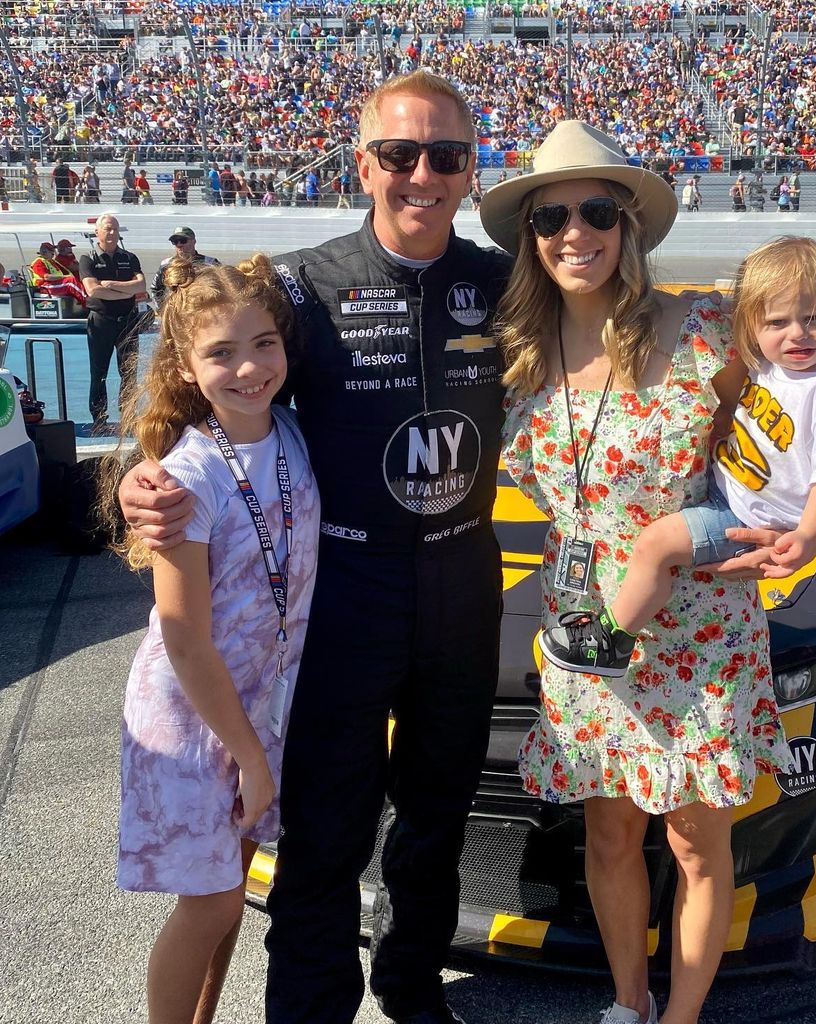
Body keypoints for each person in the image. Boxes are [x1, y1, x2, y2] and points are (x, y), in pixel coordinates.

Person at [117, 70, 514, 1024]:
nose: (423, 174)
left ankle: (413, 989)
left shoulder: (505, 281)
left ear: (470, 171)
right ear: (363, 164)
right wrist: (137, 476)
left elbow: (620, 327)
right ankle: (309, 1007)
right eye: (400, 154)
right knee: (327, 825)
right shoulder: (300, 285)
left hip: (464, 576)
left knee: (436, 812)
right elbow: (208, 371)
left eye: (447, 156)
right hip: (345, 588)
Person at [480, 120, 795, 1024]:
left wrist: (791, 537)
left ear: (629, 227)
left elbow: (795, 435)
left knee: (697, 844)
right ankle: (628, 1003)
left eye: (594, 212)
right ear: (530, 239)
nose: (573, 233)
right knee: (611, 831)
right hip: (587, 632)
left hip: (699, 628)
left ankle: (684, 1015)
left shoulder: (701, 332)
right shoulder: (518, 360)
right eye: (550, 219)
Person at [106, 255, 319, 1024]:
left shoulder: (292, 433)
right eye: (221, 353)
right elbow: (184, 636)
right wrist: (254, 759)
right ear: (188, 369)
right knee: (211, 901)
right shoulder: (185, 477)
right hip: (195, 715)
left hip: (261, 698)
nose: (248, 367)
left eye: (263, 344)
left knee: (229, 887)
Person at [538, 236, 816, 677]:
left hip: (752, 520)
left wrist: (807, 536)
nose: (797, 334)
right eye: (777, 322)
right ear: (751, 325)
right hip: (731, 493)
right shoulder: (771, 367)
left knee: (656, 545)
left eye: (814, 319)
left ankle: (614, 638)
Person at [79, 213, 146, 431]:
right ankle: (99, 420)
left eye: (115, 229)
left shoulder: (130, 257)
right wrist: (124, 290)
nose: (111, 233)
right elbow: (93, 290)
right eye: (107, 229)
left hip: (128, 322)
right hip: (101, 322)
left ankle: (128, 418)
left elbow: (140, 287)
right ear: (97, 232)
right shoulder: (88, 259)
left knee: (128, 373)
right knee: (98, 373)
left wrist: (110, 285)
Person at [151, 226, 221, 309]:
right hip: (176, 314)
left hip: (203, 313)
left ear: (194, 241)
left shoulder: (210, 263)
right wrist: (162, 310)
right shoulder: (166, 264)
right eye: (175, 241)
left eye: (183, 240)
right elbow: (155, 289)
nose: (179, 244)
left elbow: (224, 286)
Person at [28, 241, 88, 306]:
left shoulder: (51, 261)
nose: (53, 252)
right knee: (70, 282)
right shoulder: (38, 262)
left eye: (53, 250)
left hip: (54, 284)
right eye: (51, 250)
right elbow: (46, 277)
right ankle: (86, 302)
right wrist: (65, 277)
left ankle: (87, 299)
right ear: (44, 252)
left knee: (76, 280)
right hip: (45, 286)